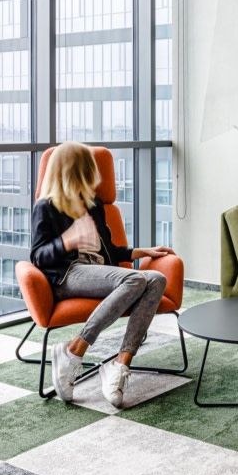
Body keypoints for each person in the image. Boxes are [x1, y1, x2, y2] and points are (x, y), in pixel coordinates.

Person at [30, 142, 175, 408]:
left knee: (157, 279)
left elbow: (110, 250)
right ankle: (75, 350)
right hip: (68, 275)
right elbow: (37, 256)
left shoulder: (94, 205)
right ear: (75, 170)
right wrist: (67, 241)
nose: (96, 174)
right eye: (89, 168)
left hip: (100, 272)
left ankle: (120, 364)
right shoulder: (46, 206)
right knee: (135, 278)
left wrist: (144, 251)